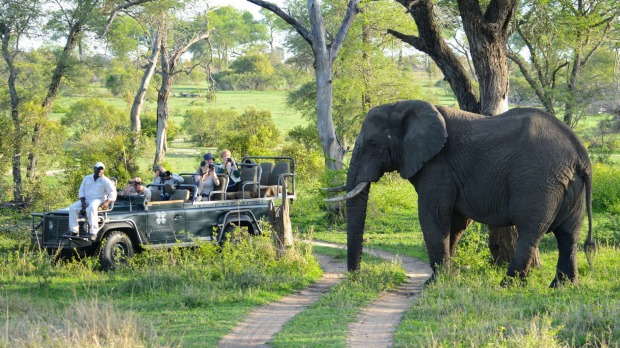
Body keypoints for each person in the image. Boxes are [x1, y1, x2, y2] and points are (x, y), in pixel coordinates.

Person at [68, 162, 117, 240]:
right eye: (99, 169)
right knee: (72, 208)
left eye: (102, 169)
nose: (100, 171)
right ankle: (74, 231)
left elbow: (113, 192)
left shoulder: (105, 180)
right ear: (94, 169)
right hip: (87, 199)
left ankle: (93, 232)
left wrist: (107, 202)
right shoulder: (87, 178)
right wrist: (83, 201)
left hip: (99, 199)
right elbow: (81, 191)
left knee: (92, 206)